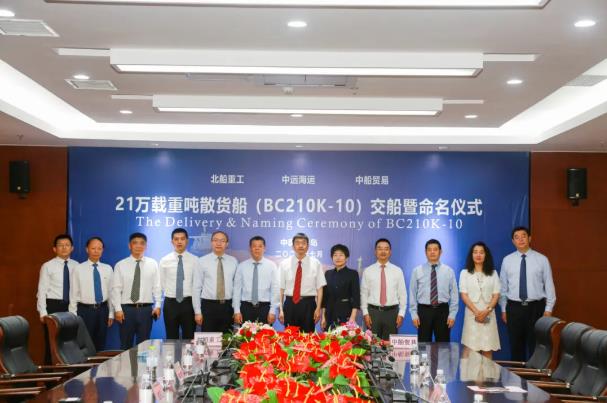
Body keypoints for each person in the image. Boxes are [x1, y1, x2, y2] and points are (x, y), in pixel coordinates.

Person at [500, 226, 556, 361]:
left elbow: (549, 285)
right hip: (514, 308)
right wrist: (503, 309)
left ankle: (534, 375)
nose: (520, 239)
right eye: (517, 237)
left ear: (529, 238)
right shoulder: (507, 260)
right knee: (516, 347)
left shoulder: (542, 259)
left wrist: (548, 309)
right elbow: (503, 288)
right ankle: (516, 375)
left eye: (523, 236)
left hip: (536, 309)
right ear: (513, 241)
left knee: (536, 347)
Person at [111, 232, 161, 349]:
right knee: (125, 345)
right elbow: (116, 289)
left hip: (146, 311)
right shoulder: (120, 265)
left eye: (142, 243)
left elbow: (157, 287)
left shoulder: (153, 264)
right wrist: (117, 309)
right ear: (130, 246)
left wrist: (158, 305)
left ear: (146, 246)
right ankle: (126, 362)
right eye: (135, 243)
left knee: (144, 346)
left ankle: (142, 362)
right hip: (126, 311)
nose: (139, 246)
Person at [36, 234, 78, 364]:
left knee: (70, 342)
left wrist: (74, 310)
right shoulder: (47, 266)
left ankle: (69, 372)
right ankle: (50, 374)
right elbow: (41, 291)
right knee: (52, 342)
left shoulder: (77, 266)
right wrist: (43, 312)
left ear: (72, 248)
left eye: (67, 245)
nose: (64, 248)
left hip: (71, 306)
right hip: (53, 306)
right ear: (54, 249)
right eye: (60, 245)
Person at [69, 236, 114, 351]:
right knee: (84, 344)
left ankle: (99, 363)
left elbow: (111, 292)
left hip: (103, 310)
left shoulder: (108, 268)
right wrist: (73, 315)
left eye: (99, 248)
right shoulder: (78, 269)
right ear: (87, 249)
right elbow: (73, 293)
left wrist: (111, 313)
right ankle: (85, 364)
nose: (96, 251)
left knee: (101, 344)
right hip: (85, 311)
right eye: (93, 248)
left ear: (102, 250)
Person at [409, 239, 459, 342]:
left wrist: (452, 314)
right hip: (424, 311)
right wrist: (414, 314)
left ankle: (442, 355)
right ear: (425, 252)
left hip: (443, 311)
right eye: (429, 249)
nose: (432, 252)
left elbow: (454, 294)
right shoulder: (417, 271)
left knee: (443, 346)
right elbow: (412, 293)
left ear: (440, 252)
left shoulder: (449, 271)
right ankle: (423, 355)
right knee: (423, 345)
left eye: (435, 249)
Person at [459, 242, 501, 358]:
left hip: (489, 314)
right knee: (470, 348)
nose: (478, 255)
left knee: (487, 347)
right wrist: (477, 312)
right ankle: (469, 371)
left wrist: (487, 311)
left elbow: (496, 295)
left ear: (486, 255)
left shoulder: (493, 273)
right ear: (471, 255)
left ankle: (487, 371)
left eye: (481, 252)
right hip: (472, 314)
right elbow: (464, 295)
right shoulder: (464, 273)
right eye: (475, 252)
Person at [360, 238, 407, 340]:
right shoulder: (368, 271)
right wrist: (365, 313)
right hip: (373, 313)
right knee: (372, 345)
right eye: (380, 248)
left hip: (392, 313)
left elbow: (402, 294)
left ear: (390, 252)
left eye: (386, 249)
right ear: (375, 252)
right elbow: (364, 294)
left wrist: (401, 313)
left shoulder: (397, 271)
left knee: (389, 346)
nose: (383, 251)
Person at [279, 233, 326, 333]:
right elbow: (281, 289)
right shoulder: (284, 264)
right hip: (290, 304)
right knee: (290, 336)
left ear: (308, 246)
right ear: (293, 246)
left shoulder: (316, 263)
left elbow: (319, 288)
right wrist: (281, 309)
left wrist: (318, 308)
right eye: (297, 243)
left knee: (308, 336)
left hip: (309, 305)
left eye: (304, 243)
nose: (300, 245)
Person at [192, 230, 238, 333]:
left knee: (227, 339)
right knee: (208, 339)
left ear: (227, 244)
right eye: (215, 240)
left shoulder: (233, 261)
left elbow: (236, 288)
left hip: (227, 306)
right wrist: (197, 312)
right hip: (208, 306)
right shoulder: (201, 261)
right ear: (211, 242)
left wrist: (236, 310)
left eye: (222, 241)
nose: (218, 243)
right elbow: (196, 288)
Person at [159, 228, 198, 340]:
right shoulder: (164, 260)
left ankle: (189, 353)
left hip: (188, 303)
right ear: (172, 241)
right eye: (176, 239)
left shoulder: (195, 260)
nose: (179, 242)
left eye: (182, 239)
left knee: (189, 337)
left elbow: (197, 284)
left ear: (187, 241)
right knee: (171, 337)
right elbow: (161, 283)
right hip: (170, 303)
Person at [233, 236, 279, 325]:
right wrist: (236, 310)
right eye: (254, 246)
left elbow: (275, 289)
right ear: (250, 248)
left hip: (265, 308)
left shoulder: (271, 266)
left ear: (264, 248)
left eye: (260, 246)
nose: (257, 248)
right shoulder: (241, 266)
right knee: (245, 333)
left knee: (265, 333)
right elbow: (236, 290)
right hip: (246, 308)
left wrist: (273, 310)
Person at [321, 244, 360, 330]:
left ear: (346, 258)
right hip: (329, 313)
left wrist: (352, 317)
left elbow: (356, 297)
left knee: (344, 337)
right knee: (328, 337)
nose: (338, 258)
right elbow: (325, 297)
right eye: (335, 255)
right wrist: (323, 316)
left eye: (341, 255)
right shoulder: (328, 274)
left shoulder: (353, 274)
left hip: (345, 312)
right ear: (332, 258)